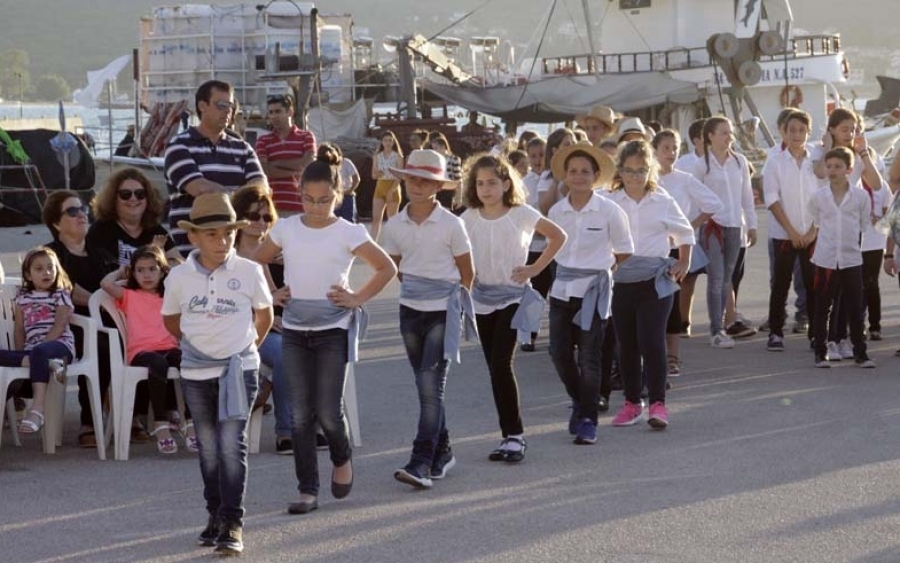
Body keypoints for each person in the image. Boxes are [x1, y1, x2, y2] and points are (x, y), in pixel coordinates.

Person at [254, 152, 396, 514]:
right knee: (300, 414)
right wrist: (271, 294)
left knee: (329, 412)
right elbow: (257, 259)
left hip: (334, 327)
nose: (315, 207)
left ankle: (341, 456)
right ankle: (307, 489)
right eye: (308, 199)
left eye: (324, 199)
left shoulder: (349, 231)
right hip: (296, 329)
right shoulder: (286, 227)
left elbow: (386, 267)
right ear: (298, 192)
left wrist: (356, 298)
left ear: (339, 193)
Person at [161, 193, 273, 555]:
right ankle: (214, 515)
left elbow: (264, 316)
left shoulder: (249, 271)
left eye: (227, 233)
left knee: (230, 444)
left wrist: (245, 348)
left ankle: (233, 522)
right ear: (193, 237)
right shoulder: (178, 277)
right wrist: (196, 346)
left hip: (239, 371)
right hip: (196, 372)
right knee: (208, 448)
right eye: (211, 234)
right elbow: (172, 320)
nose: (221, 241)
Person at [462, 154, 566, 461]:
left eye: (492, 182)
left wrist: (535, 268)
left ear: (506, 183)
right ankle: (507, 435)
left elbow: (558, 236)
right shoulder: (468, 217)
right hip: (481, 299)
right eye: (480, 183)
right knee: (494, 370)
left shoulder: (521, 213)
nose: (486, 189)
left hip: (513, 297)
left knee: (501, 364)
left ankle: (515, 436)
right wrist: (464, 279)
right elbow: (456, 251)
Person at [382, 149, 474, 488]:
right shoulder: (394, 224)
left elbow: (468, 273)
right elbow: (394, 268)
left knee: (429, 386)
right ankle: (443, 450)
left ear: (438, 186)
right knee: (428, 388)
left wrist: (454, 307)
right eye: (412, 179)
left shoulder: (453, 224)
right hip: (410, 310)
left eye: (425, 180)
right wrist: (418, 290)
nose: (417, 185)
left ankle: (421, 460)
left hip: (443, 311)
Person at [547, 142, 632, 444]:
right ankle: (582, 401)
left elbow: (624, 252)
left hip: (594, 293)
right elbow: (550, 251)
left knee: (590, 357)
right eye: (573, 171)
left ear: (596, 176)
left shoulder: (611, 210)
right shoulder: (556, 211)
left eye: (585, 171)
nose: (579, 176)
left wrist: (603, 274)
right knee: (558, 352)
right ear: (566, 176)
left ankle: (587, 419)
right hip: (561, 290)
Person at [607, 140, 694, 429]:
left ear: (650, 171)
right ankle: (632, 403)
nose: (635, 177)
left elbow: (685, 233)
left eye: (641, 170)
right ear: (619, 171)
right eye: (629, 171)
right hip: (621, 280)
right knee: (626, 345)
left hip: (656, 280)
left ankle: (658, 404)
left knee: (651, 340)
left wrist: (683, 262)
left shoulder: (662, 200)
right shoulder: (609, 201)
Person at [100, 245, 196, 454]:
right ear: (132, 273)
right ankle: (161, 425)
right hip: (142, 352)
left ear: (163, 271)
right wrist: (121, 270)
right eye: (140, 270)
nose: (147, 275)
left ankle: (191, 423)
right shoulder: (128, 295)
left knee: (188, 361)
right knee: (157, 364)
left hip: (169, 347)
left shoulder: (170, 294)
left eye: (153, 269)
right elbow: (105, 284)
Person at [44, 190, 119, 448]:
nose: (81, 215)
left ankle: (133, 416)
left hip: (106, 320)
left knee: (133, 340)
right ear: (56, 223)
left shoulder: (100, 253)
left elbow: (119, 284)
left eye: (83, 209)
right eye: (72, 211)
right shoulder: (50, 255)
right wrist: (102, 302)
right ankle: (90, 420)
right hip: (69, 325)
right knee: (102, 343)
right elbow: (66, 289)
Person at [813, 108, 886, 359]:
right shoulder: (823, 153)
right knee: (828, 290)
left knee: (849, 289)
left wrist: (864, 151)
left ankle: (844, 337)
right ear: (832, 129)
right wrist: (826, 146)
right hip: (829, 226)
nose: (850, 133)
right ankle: (828, 340)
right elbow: (821, 173)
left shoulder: (857, 156)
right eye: (844, 128)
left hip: (851, 224)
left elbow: (876, 184)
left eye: (854, 128)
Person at [164, 79, 264, 257]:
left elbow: (261, 190)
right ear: (202, 106)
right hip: (191, 255)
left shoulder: (243, 148)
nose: (228, 111)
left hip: (234, 253)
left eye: (231, 106)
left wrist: (233, 194)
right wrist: (241, 196)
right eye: (221, 105)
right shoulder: (179, 146)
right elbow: (200, 188)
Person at [652, 129, 722, 375]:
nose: (670, 153)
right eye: (665, 148)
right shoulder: (647, 180)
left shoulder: (684, 179)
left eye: (674, 148)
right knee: (651, 305)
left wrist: (689, 226)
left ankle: (672, 357)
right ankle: (651, 356)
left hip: (676, 249)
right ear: (654, 151)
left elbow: (713, 203)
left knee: (672, 305)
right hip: (650, 250)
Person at [230, 184, 292, 454]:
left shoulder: (282, 258)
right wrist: (266, 311)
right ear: (239, 217)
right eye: (254, 215)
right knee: (286, 355)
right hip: (243, 332)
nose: (261, 222)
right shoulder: (227, 257)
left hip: (281, 328)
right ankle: (287, 432)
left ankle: (317, 425)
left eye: (267, 217)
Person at [689, 116, 758, 349]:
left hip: (734, 226)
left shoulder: (739, 161)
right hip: (711, 227)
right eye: (723, 132)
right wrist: (696, 224)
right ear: (710, 136)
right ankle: (716, 330)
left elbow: (747, 196)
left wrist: (752, 225)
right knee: (716, 278)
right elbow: (694, 196)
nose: (729, 137)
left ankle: (723, 326)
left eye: (730, 132)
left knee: (728, 279)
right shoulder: (701, 164)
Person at [808, 147, 875, 369]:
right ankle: (821, 351)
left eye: (838, 167)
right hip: (826, 258)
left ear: (849, 169)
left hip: (851, 259)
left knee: (855, 307)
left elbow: (864, 223)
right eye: (829, 167)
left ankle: (860, 353)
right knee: (823, 306)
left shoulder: (860, 196)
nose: (833, 171)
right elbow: (817, 221)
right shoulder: (819, 197)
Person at [762, 109, 819, 352]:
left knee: (813, 285)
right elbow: (772, 199)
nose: (797, 134)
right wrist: (792, 232)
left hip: (811, 234)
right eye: (792, 130)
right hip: (784, 234)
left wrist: (811, 232)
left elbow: (823, 198)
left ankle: (817, 333)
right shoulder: (775, 162)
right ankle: (776, 331)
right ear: (784, 132)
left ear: (808, 132)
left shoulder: (816, 162)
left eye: (802, 130)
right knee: (780, 284)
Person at [2, 247, 75, 435]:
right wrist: (21, 355)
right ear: (28, 274)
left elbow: (59, 326)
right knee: (27, 354)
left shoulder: (61, 295)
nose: (47, 272)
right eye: (40, 269)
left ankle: (37, 410)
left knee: (40, 352)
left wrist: (37, 350)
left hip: (59, 346)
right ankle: (45, 364)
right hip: (33, 351)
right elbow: (19, 330)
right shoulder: (22, 298)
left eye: (51, 268)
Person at [88, 167, 181, 265]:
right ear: (113, 199)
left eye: (140, 194)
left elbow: (178, 263)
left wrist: (161, 258)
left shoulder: (155, 230)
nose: (133, 198)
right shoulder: (100, 231)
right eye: (125, 194)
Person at [255, 93, 317, 215]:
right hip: (273, 207)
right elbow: (264, 170)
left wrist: (275, 163)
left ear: (290, 112)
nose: (274, 116)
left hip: (301, 205)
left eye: (278, 111)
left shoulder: (306, 136)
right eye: (271, 112)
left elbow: (308, 162)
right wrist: (295, 171)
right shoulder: (263, 140)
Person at [370, 130, 403, 242]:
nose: (388, 143)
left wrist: (392, 190)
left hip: (393, 186)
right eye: (385, 140)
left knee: (392, 219)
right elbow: (373, 175)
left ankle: (395, 243)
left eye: (390, 140)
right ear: (382, 142)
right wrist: (379, 173)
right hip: (380, 186)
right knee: (376, 218)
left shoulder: (398, 156)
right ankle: (373, 243)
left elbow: (400, 176)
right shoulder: (377, 156)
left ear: (393, 142)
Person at [320, 143, 360, 223]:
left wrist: (350, 190)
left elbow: (356, 178)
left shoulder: (346, 162)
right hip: (333, 195)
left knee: (349, 221)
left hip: (347, 195)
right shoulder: (326, 165)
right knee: (332, 220)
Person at [428, 131, 463, 211]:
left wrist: (459, 197)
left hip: (448, 190)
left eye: (436, 148)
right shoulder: (434, 160)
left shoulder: (454, 159)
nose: (435, 151)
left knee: (446, 212)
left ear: (443, 146)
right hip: (436, 189)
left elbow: (458, 179)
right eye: (434, 149)